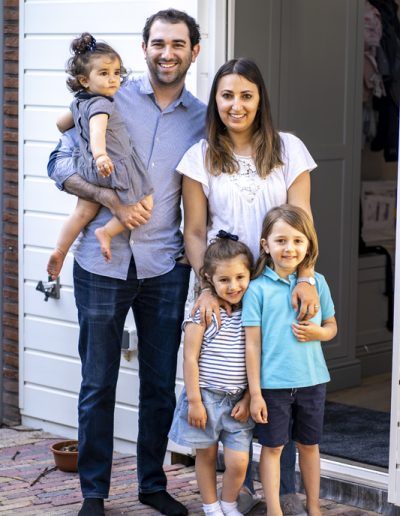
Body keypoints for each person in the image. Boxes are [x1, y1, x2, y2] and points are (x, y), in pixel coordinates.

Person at [47, 9, 205, 516]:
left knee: (159, 383)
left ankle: (151, 484)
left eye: (178, 44)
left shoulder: (204, 119)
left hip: (165, 265)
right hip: (101, 260)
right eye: (158, 43)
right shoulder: (108, 95)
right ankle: (93, 492)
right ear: (144, 48)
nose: (167, 52)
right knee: (98, 384)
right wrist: (113, 202)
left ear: (193, 52)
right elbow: (58, 164)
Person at [177, 58, 319, 515]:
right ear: (215, 100)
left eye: (246, 95)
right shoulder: (199, 156)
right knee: (228, 383)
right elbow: (195, 232)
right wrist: (207, 288)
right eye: (226, 95)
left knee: (279, 387)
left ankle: (283, 493)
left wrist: (306, 276)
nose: (236, 105)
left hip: (277, 288)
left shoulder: (289, 149)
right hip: (222, 286)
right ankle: (229, 492)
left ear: (260, 101)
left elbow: (303, 222)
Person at [243, 204, 337, 516]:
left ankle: (314, 507)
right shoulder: (256, 290)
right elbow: (252, 344)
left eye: (298, 241)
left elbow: (332, 326)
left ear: (308, 245)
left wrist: (318, 334)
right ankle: (274, 510)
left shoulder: (316, 283)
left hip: (312, 380)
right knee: (272, 448)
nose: (289, 248)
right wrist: (255, 392)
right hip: (273, 385)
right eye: (281, 240)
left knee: (309, 445)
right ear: (265, 245)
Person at [47, 33, 153, 280]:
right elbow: (97, 131)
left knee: (83, 212)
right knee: (147, 202)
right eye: (104, 73)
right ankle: (106, 232)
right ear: (84, 80)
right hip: (113, 166)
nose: (113, 79)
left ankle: (60, 249)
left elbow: (60, 124)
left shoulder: (79, 103)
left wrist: (74, 128)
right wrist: (101, 155)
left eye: (116, 72)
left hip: (86, 169)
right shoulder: (102, 105)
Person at [169, 232, 254, 516]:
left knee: (239, 461)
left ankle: (229, 501)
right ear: (208, 279)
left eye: (240, 277)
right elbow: (190, 358)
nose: (233, 286)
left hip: (238, 403)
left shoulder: (251, 313)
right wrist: (194, 401)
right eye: (225, 280)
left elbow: (257, 359)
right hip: (205, 398)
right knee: (205, 455)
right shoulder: (201, 313)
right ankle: (211, 506)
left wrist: (249, 397)